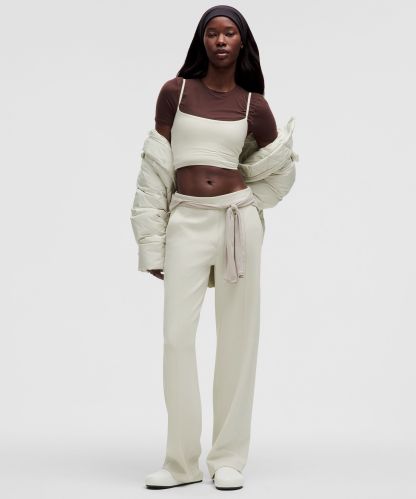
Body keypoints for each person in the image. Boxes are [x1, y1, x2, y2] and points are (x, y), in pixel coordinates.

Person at [132, 5, 297, 491]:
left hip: (236, 225)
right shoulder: (175, 92)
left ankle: (227, 458)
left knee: (238, 340)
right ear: (201, 40)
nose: (221, 40)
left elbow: (281, 169)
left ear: (242, 42)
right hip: (186, 221)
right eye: (212, 33)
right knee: (176, 340)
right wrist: (152, 246)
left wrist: (248, 201)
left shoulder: (254, 106)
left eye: (229, 33)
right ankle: (181, 463)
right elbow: (154, 172)